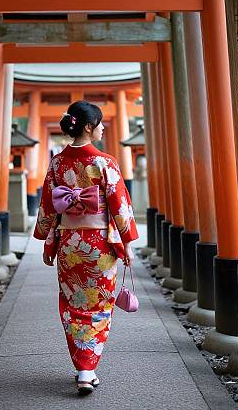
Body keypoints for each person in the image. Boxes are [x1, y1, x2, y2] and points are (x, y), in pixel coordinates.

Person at [33, 100, 139, 395]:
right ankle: (87, 368)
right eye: (101, 123)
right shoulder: (105, 162)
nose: (103, 127)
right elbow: (119, 206)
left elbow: (48, 206)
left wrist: (47, 241)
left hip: (69, 244)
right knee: (99, 303)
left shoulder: (57, 163)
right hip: (100, 246)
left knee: (73, 303)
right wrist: (126, 243)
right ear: (90, 127)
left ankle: (83, 367)